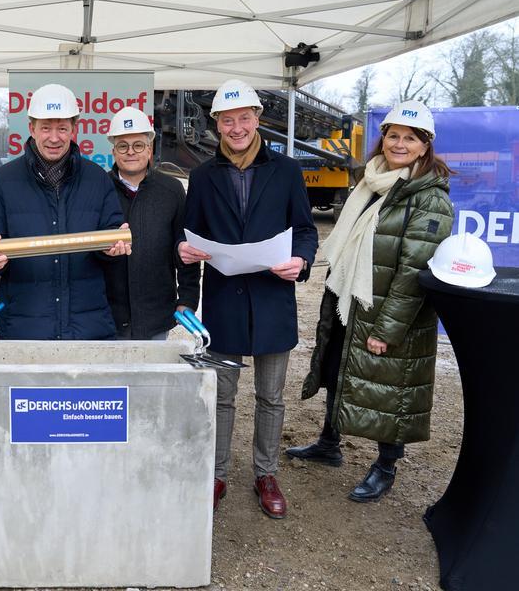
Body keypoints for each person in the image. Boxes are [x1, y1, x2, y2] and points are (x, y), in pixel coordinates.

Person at [286, 100, 454, 502]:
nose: (399, 144)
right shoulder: (370, 182)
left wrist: (387, 331)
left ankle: (385, 466)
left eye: (409, 138)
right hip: (350, 299)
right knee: (338, 368)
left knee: (389, 390)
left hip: (387, 314)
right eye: (393, 135)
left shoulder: (429, 198)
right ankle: (329, 443)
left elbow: (414, 274)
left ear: (424, 145)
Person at [179, 79, 318, 519]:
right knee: (221, 395)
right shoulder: (202, 177)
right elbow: (189, 235)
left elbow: (307, 230)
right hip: (224, 299)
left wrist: (301, 259)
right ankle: (217, 472)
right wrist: (183, 251)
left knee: (272, 397)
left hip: (273, 299)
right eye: (226, 120)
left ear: (257, 118)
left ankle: (266, 473)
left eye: (243, 118)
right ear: (216, 124)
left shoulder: (287, 171)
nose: (236, 127)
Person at [0, 83, 131, 340]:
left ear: (74, 129)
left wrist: (113, 249)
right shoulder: (4, 180)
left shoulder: (97, 179)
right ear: (31, 128)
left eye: (62, 128)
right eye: (46, 127)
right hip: (26, 327)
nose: (54, 137)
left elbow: (112, 235)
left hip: (88, 327)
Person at [102, 106, 200, 339]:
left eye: (138, 145)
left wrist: (187, 299)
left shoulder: (171, 190)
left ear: (150, 149)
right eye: (122, 146)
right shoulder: (99, 189)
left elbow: (185, 247)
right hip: (108, 317)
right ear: (114, 152)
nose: (130, 152)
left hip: (156, 317)